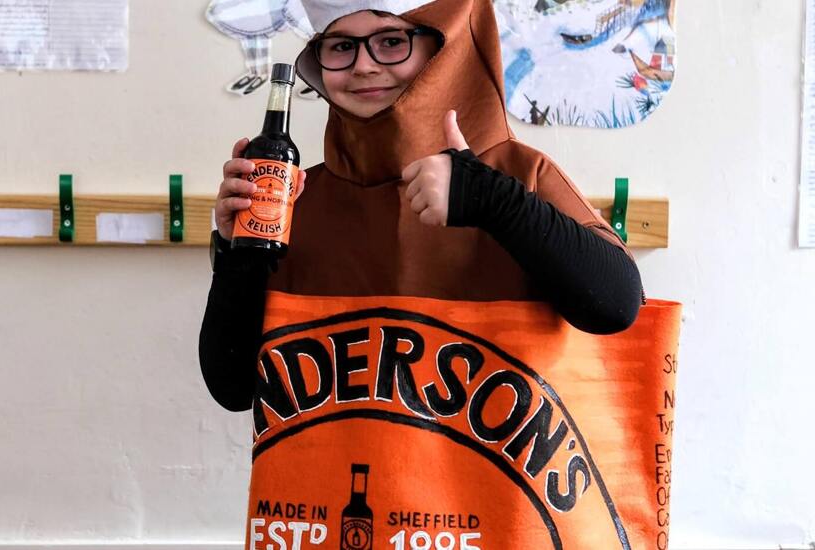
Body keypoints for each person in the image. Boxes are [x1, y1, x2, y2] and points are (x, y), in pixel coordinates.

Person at [201, 0, 643, 413]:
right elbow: (234, 388)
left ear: (443, 49)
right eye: (340, 46)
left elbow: (615, 307)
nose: (363, 65)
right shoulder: (292, 198)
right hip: (324, 471)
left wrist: (492, 199)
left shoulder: (519, 174)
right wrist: (236, 253)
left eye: (392, 41)